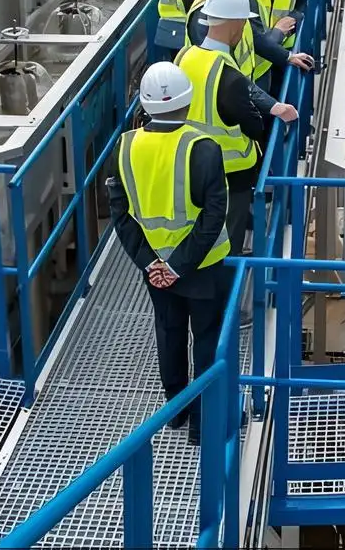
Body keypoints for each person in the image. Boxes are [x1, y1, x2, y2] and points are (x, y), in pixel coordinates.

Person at [108, 62, 230, 444]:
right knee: (206, 339)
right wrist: (178, 266)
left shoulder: (125, 147)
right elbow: (214, 216)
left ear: (144, 104)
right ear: (187, 102)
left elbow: (120, 214)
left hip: (154, 267)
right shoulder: (204, 148)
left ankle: (176, 411)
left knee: (169, 331)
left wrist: (153, 264)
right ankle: (203, 425)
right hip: (203, 265)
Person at [177, 0, 298, 251]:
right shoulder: (228, 74)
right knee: (227, 241)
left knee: (199, 230)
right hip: (231, 172)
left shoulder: (184, 57)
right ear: (235, 23)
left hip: (188, 162)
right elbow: (254, 126)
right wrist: (274, 111)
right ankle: (227, 275)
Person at [188, 0, 312, 94]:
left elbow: (253, 36)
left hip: (241, 88)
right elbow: (218, 69)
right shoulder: (205, 12)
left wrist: (288, 57)